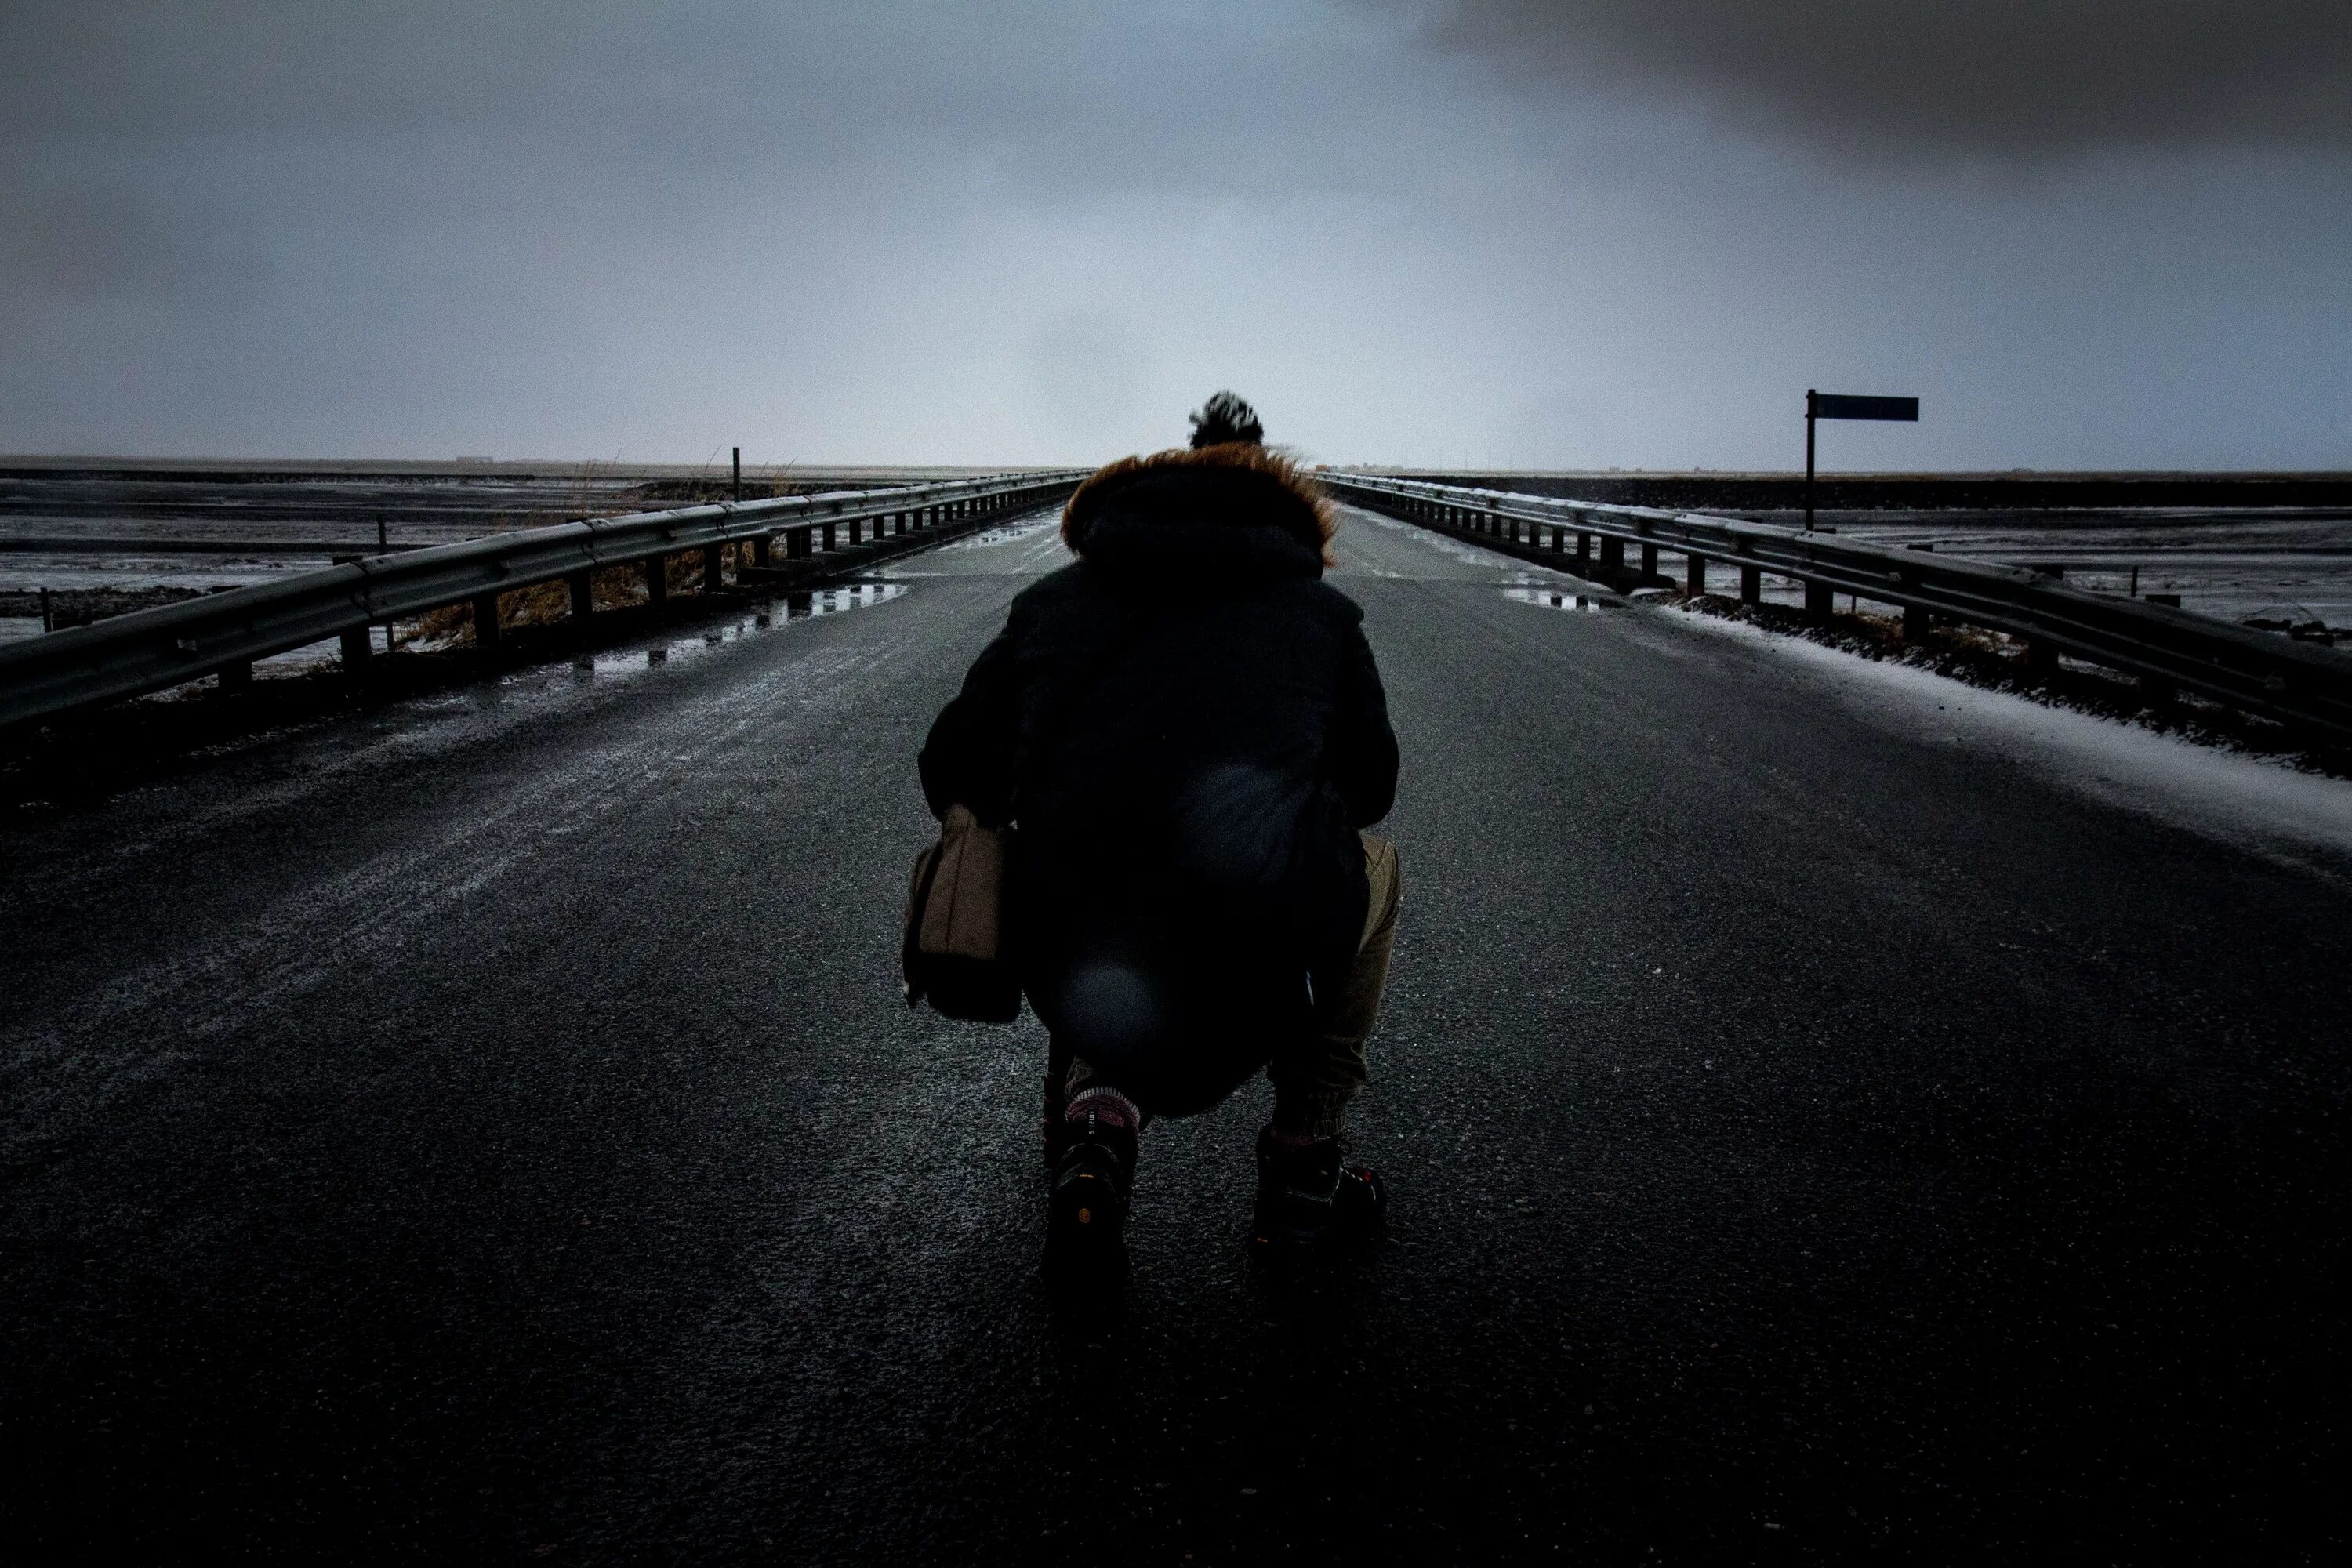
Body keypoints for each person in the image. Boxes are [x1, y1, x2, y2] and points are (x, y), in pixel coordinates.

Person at [919, 392, 1402, 1258]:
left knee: (1096, 880)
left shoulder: (1050, 605)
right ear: (1290, 516)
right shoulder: (1322, 617)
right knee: (1377, 867)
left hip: (1071, 944)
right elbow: (1371, 788)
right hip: (1262, 953)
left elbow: (951, 762)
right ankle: (1304, 1161)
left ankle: (1097, 1130)